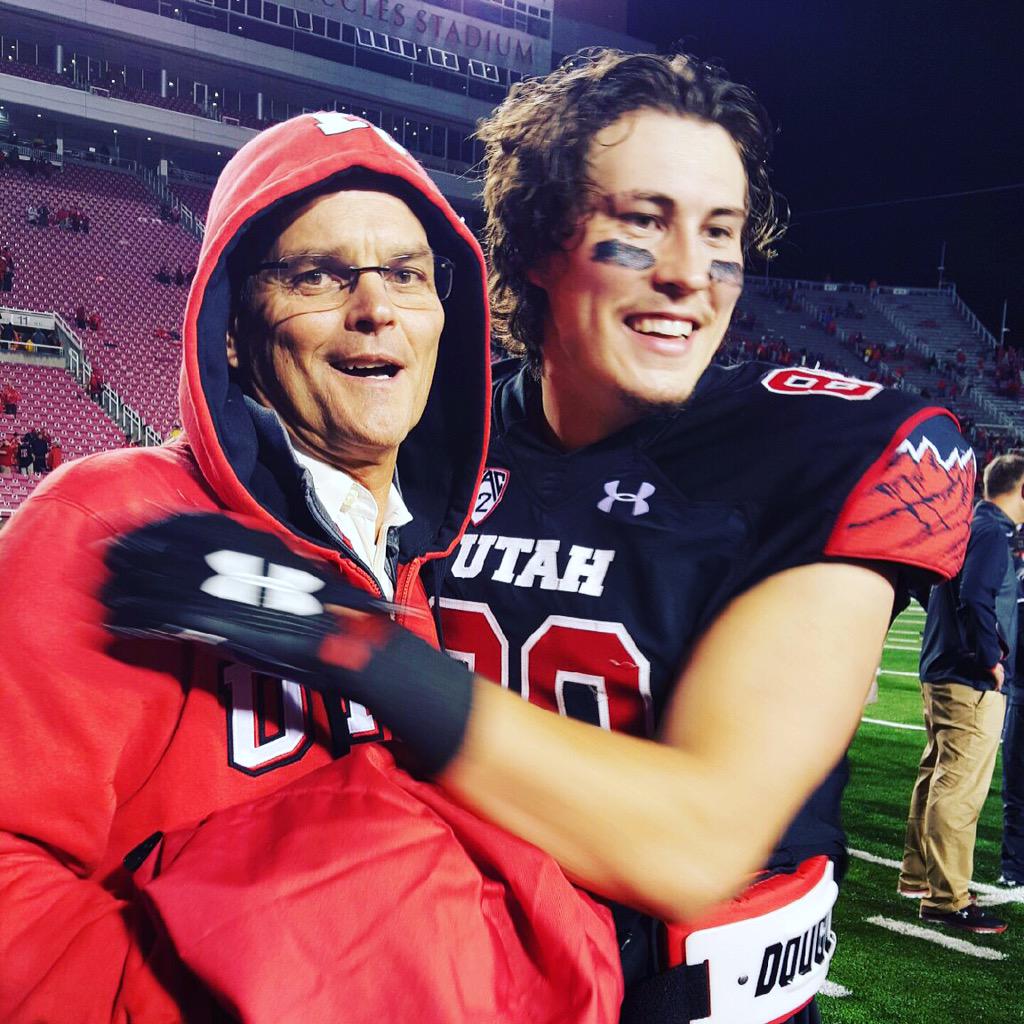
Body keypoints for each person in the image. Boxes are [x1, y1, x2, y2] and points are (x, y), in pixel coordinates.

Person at [102, 52, 977, 1024]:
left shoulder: (832, 443)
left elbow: (692, 843)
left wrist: (347, 640)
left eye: (719, 232)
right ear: (532, 245)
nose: (691, 273)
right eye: (641, 223)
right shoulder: (428, 434)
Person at [0, 113, 621, 1024]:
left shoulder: (455, 564)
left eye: (407, 274)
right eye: (319, 275)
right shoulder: (108, 518)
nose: (376, 307)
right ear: (231, 332)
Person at [899, 451, 1024, 933]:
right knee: (959, 789)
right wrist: (992, 658)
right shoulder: (993, 532)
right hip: (968, 676)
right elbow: (975, 595)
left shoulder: (971, 524)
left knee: (935, 777)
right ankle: (947, 899)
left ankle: (917, 877)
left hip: (942, 668)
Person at [999, 521, 1024, 890]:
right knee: (1017, 789)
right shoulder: (1016, 577)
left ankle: (1015, 867)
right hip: (1020, 691)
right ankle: (1015, 867)